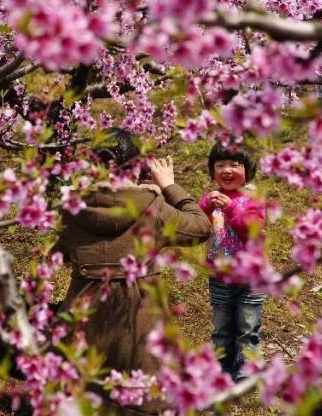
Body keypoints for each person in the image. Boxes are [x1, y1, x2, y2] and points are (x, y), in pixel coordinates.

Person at [54, 128, 212, 415]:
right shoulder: (153, 208)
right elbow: (201, 227)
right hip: (140, 331)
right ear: (138, 167)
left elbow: (62, 253)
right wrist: (168, 187)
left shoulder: (71, 208)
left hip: (83, 328)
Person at [198, 143, 266, 381]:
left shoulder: (252, 199)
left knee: (248, 327)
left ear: (247, 170)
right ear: (212, 171)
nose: (227, 170)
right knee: (222, 328)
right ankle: (223, 367)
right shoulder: (212, 200)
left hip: (251, 278)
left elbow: (252, 229)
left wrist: (231, 208)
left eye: (234, 165)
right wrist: (205, 206)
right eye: (220, 165)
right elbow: (198, 226)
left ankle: (248, 371)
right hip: (219, 276)